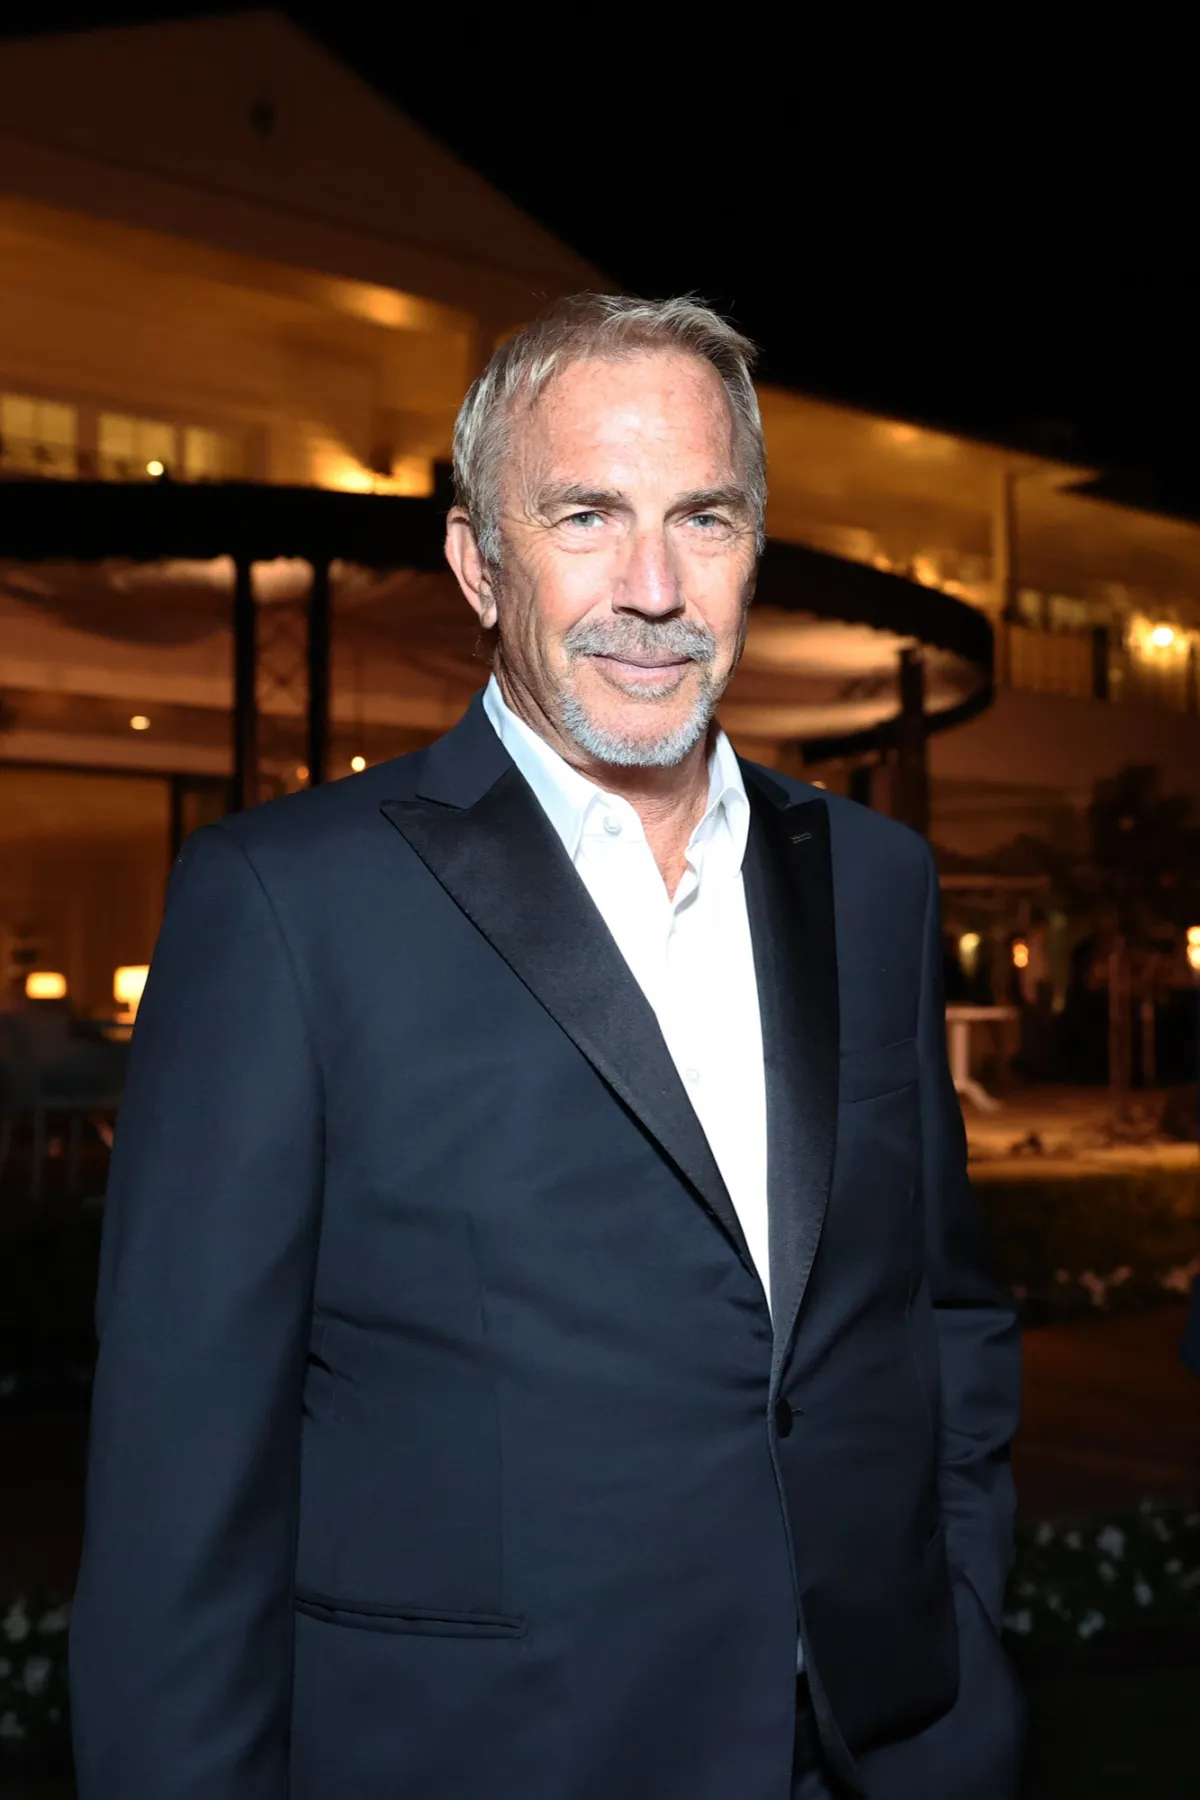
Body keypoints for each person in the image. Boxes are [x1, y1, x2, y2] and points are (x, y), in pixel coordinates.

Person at [69, 295, 1023, 1798]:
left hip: (875, 1751)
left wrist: (958, 1612)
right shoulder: (286, 902)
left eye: (702, 518)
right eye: (586, 515)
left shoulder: (874, 878)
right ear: (477, 562)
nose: (654, 587)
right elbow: (179, 1479)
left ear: (753, 550)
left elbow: (939, 1307)